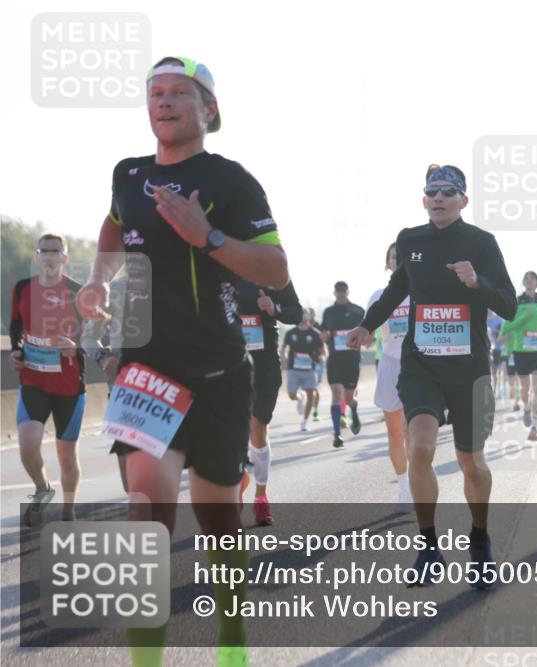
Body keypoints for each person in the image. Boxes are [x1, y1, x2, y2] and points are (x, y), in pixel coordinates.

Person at [75, 56, 288, 667]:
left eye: (178, 93)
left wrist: (209, 238)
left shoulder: (231, 180)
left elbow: (276, 269)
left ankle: (232, 628)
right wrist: (96, 279)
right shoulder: (128, 173)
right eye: (155, 93)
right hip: (146, 372)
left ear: (208, 108)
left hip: (220, 375)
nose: (163, 102)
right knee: (147, 514)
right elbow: (116, 223)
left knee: (218, 522)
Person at [348, 163, 516, 590]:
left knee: (471, 463)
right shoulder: (411, 240)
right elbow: (395, 290)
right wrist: (367, 325)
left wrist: (477, 282)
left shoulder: (481, 243)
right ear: (424, 200)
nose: (439, 198)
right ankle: (428, 547)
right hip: (421, 367)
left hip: (470, 370)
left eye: (448, 191)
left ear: (463, 200)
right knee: (419, 449)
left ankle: (479, 540)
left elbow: (510, 306)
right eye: (432, 191)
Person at [9, 233, 86, 525]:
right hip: (33, 381)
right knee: (28, 444)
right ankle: (43, 489)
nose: (50, 256)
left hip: (69, 386)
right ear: (36, 257)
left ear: (65, 258)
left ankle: (69, 511)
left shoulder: (78, 292)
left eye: (56, 252)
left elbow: (94, 336)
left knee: (67, 457)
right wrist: (16, 353)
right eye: (45, 251)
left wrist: (76, 345)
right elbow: (16, 328)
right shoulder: (22, 288)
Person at [238, 278, 303, 526]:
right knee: (234, 431)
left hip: (264, 365)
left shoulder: (271, 270)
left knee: (258, 428)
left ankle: (261, 496)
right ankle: (237, 484)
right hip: (229, 363)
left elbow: (296, 313)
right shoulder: (218, 266)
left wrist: (273, 309)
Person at [366, 242, 413, 512]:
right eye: (395, 258)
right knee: (396, 433)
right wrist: (362, 335)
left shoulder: (421, 293)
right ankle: (404, 487)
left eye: (404, 257)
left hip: (417, 366)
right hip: (390, 365)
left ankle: (418, 485)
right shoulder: (378, 296)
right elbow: (368, 332)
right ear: (388, 263)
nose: (399, 262)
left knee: (413, 431)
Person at [80, 276, 129, 493]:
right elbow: (88, 337)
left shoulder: (177, 283)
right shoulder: (114, 290)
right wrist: (103, 358)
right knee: (126, 449)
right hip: (123, 383)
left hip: (167, 384)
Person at [500, 271, 537, 442]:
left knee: (536, 387)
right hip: (521, 350)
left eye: (533, 279)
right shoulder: (516, 302)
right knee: (524, 389)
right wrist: (524, 317)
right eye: (527, 279)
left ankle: (535, 427)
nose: (530, 281)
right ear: (523, 282)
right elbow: (509, 327)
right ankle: (527, 407)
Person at [319, 282, 365, 448]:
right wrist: (323, 336)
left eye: (343, 292)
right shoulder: (329, 312)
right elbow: (324, 332)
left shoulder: (358, 311)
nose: (340, 295)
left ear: (347, 292)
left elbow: (367, 332)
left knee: (348, 397)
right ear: (334, 293)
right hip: (335, 360)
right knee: (337, 395)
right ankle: (337, 434)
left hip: (352, 360)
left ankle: (353, 410)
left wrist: (367, 339)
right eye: (338, 293)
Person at [280, 309, 324, 432]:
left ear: (310, 316)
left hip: (310, 369)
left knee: (311, 394)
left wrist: (322, 357)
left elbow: (323, 350)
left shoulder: (315, 333)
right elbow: (283, 347)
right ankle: (299, 398)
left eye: (306, 312)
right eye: (301, 312)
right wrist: (284, 357)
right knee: (291, 395)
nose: (304, 314)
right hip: (293, 369)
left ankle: (304, 422)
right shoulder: (291, 332)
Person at [307, 307, 325, 422]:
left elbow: (324, 343)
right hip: (304, 363)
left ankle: (315, 410)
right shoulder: (300, 326)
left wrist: (323, 355)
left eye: (311, 313)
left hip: (317, 361)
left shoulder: (319, 327)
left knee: (314, 387)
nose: (309, 315)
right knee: (308, 388)